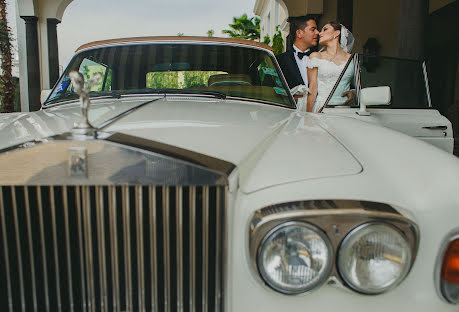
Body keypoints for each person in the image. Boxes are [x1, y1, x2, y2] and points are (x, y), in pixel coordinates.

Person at [306, 22, 355, 113]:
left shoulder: (352, 59)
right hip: (322, 108)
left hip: (345, 110)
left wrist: (354, 92)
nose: (320, 33)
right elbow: (312, 88)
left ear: (336, 33)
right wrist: (308, 116)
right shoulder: (316, 57)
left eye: (325, 29)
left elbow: (361, 84)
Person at [276, 15, 320, 89]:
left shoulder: (320, 58)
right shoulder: (280, 60)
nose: (317, 32)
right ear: (299, 33)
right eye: (313, 29)